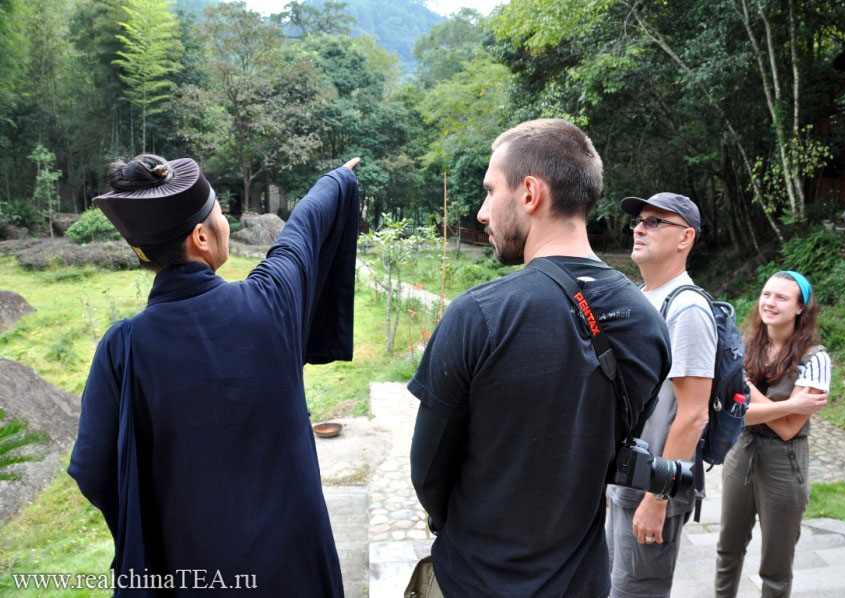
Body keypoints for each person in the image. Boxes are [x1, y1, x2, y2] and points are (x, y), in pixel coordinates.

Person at [68, 153, 360, 596]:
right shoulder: (270, 304)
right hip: (294, 568)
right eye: (221, 215)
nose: (226, 225)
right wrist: (337, 179)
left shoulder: (123, 348)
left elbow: (92, 468)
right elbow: (302, 234)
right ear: (201, 236)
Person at [407, 118, 671, 596]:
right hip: (582, 580)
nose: (483, 212)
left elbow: (427, 472)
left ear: (530, 193)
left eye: (490, 191)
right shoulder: (649, 326)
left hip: (475, 578)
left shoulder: (480, 316)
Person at [607, 192, 717, 598]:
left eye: (655, 222)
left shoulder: (687, 309)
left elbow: (693, 414)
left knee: (636, 591)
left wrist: (658, 497)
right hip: (626, 482)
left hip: (652, 487)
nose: (639, 227)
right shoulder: (643, 297)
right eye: (639, 221)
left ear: (685, 237)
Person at [715, 271, 830, 598]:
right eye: (766, 294)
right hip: (741, 453)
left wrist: (749, 390)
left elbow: (788, 428)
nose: (770, 302)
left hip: (785, 462)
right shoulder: (741, 345)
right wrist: (791, 403)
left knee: (776, 565)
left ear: (800, 308)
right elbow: (733, 413)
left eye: (781, 297)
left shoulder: (816, 358)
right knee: (727, 550)